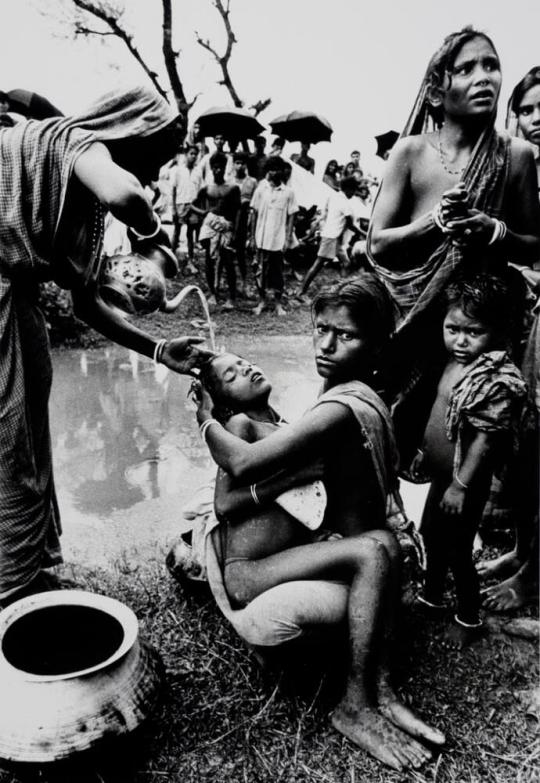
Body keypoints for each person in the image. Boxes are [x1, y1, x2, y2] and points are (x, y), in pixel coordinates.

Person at [193, 276, 445, 772]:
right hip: (251, 572)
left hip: (274, 558)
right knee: (373, 549)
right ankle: (353, 704)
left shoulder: (326, 406)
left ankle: (380, 687)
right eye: (320, 330)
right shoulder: (288, 416)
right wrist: (205, 420)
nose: (326, 346)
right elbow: (234, 484)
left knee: (384, 546)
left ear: (374, 344)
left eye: (344, 335)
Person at [0, 85, 213, 606]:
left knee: (28, 439)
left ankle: (25, 571)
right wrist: (152, 234)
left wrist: (161, 351)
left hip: (17, 302)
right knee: (8, 447)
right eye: (156, 159)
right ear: (132, 131)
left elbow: (89, 304)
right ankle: (9, 592)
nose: (157, 175)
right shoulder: (77, 141)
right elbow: (127, 197)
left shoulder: (81, 206)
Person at [367, 27, 540, 466]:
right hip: (408, 325)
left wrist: (495, 232)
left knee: (461, 460)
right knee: (377, 449)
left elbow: (534, 243)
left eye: (491, 66)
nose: (484, 77)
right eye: (466, 69)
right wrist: (435, 223)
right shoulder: (410, 154)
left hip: (478, 332)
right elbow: (379, 245)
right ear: (436, 91)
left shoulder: (515, 155)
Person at [412, 274, 527, 646]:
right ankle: (430, 595)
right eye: (453, 329)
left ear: (495, 331)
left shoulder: (496, 379)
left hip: (465, 483)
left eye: (472, 332)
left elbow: (485, 438)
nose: (460, 340)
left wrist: (461, 485)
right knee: (430, 532)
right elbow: (438, 416)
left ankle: (469, 616)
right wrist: (423, 454)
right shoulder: (449, 363)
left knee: (459, 549)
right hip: (441, 477)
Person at [478, 66, 540, 611]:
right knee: (518, 441)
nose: (537, 119)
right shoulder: (515, 168)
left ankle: (534, 576)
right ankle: (522, 551)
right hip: (522, 319)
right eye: (527, 109)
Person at [297, 176, 362, 297]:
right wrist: (363, 233)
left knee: (346, 263)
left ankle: (341, 291)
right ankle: (301, 291)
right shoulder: (344, 203)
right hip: (331, 237)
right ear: (348, 189)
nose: (353, 194)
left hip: (334, 237)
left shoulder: (334, 197)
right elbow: (350, 223)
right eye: (353, 190)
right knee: (318, 265)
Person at [192, 152, 241, 309]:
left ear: (225, 167)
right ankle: (213, 293)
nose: (217, 170)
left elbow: (238, 211)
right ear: (211, 168)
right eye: (215, 167)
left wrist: (234, 231)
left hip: (226, 226)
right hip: (210, 226)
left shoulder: (232, 188)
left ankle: (232, 298)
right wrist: (204, 214)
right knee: (209, 260)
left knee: (228, 261)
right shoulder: (207, 189)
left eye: (220, 167)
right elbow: (192, 204)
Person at [249, 157, 298, 316]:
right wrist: (252, 237)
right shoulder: (261, 189)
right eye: (272, 169)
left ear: (282, 171)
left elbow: (291, 216)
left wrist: (288, 237)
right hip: (261, 237)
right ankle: (262, 301)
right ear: (267, 170)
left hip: (278, 239)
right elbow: (254, 213)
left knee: (278, 273)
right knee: (260, 271)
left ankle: (278, 304)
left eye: (278, 169)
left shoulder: (288, 192)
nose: (274, 172)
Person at [228, 152, 258, 294]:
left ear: (246, 165)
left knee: (241, 253)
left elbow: (255, 205)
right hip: (230, 220)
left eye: (242, 163)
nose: (240, 166)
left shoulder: (252, 182)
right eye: (237, 163)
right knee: (226, 253)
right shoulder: (229, 180)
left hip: (245, 221)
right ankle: (228, 284)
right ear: (233, 164)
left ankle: (245, 283)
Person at [172, 144, 202, 273]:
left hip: (193, 205)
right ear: (186, 155)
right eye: (191, 153)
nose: (193, 156)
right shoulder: (178, 170)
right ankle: (171, 259)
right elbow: (173, 190)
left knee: (191, 234)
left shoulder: (198, 171)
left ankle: (190, 261)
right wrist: (173, 208)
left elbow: (200, 190)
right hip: (180, 204)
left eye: (195, 154)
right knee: (177, 232)